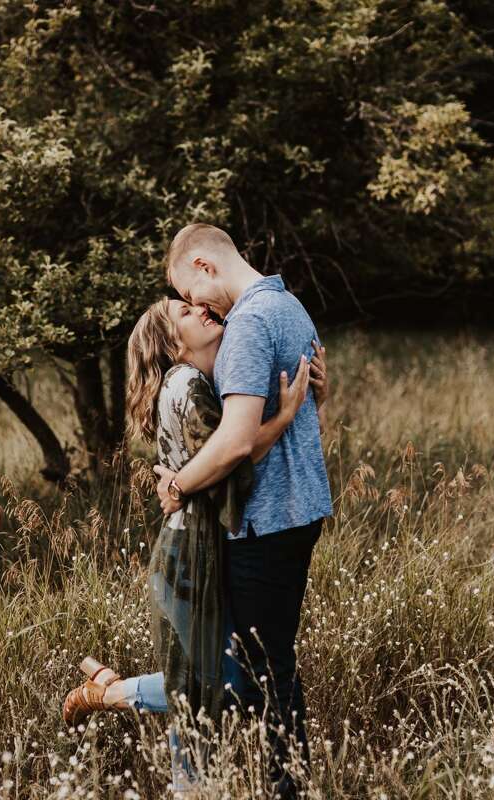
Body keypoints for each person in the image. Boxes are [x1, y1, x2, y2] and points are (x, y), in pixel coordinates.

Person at [61, 295, 327, 793]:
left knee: (201, 680)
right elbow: (231, 465)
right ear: (171, 344)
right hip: (188, 557)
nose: (200, 309)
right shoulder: (187, 384)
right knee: (210, 686)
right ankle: (112, 694)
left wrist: (307, 398)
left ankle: (187, 784)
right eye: (184, 312)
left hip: (195, 550)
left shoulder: (198, 383)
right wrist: (285, 417)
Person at [152, 222, 333, 799]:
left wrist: (178, 485)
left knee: (260, 674)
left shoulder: (249, 322)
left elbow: (234, 442)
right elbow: (296, 403)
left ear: (205, 266)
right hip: (301, 509)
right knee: (268, 664)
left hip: (268, 517)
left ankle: (285, 788)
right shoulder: (289, 305)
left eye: (191, 292)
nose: (198, 306)